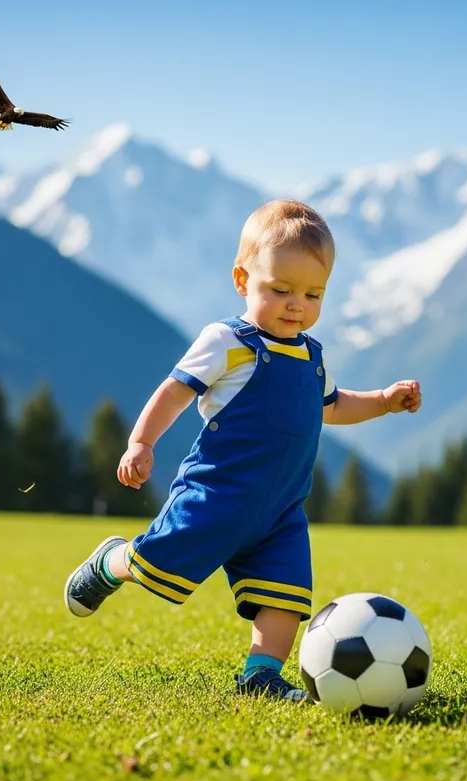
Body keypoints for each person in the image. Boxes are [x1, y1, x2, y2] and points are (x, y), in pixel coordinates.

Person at [64, 199, 422, 702]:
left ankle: (261, 675)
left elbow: (334, 407)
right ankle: (110, 563)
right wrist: (141, 441)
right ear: (242, 281)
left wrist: (383, 401)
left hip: (282, 511)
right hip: (216, 497)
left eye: (313, 294)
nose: (297, 304)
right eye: (280, 290)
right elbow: (174, 392)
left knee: (286, 595)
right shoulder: (229, 341)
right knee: (157, 566)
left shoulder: (311, 354)